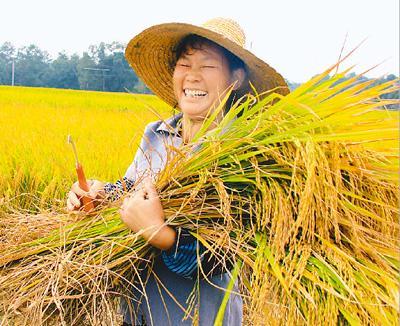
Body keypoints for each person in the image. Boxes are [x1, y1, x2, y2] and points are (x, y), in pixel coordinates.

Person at [66, 17, 289, 325]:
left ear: (235, 78)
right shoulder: (155, 134)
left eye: (207, 66)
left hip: (199, 318)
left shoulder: (243, 153)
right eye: (184, 65)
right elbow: (133, 189)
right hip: (138, 313)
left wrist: (160, 233)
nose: (192, 77)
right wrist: (99, 194)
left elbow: (226, 253)